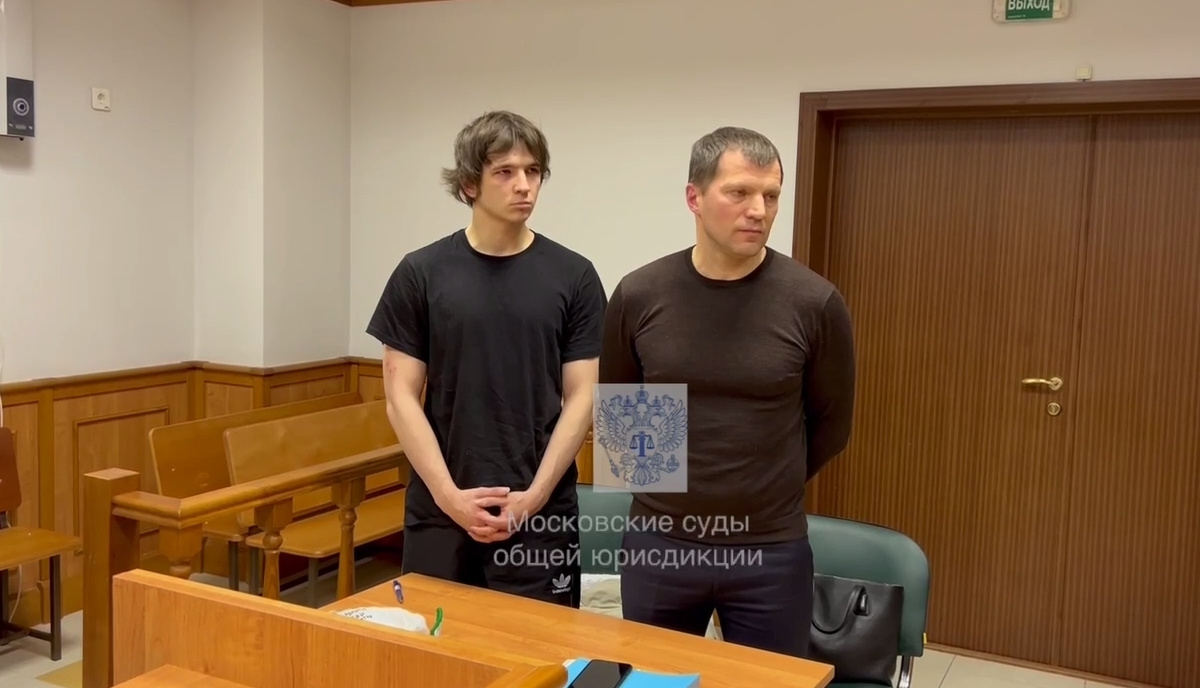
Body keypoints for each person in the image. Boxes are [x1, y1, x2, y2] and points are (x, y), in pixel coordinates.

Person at [598, 126, 856, 657]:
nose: (758, 210)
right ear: (694, 197)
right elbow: (623, 421)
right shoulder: (640, 294)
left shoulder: (813, 302)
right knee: (656, 681)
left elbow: (831, 425)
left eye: (771, 195)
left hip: (770, 550)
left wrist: (761, 489)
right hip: (662, 545)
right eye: (739, 192)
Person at [367, 110, 606, 607]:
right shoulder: (421, 273)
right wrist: (449, 496)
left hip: (540, 512)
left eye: (533, 171)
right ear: (469, 184)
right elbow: (400, 396)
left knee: (539, 649)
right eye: (505, 172)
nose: (524, 185)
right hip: (442, 507)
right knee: (436, 642)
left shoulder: (575, 276)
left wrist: (535, 497)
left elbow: (583, 396)